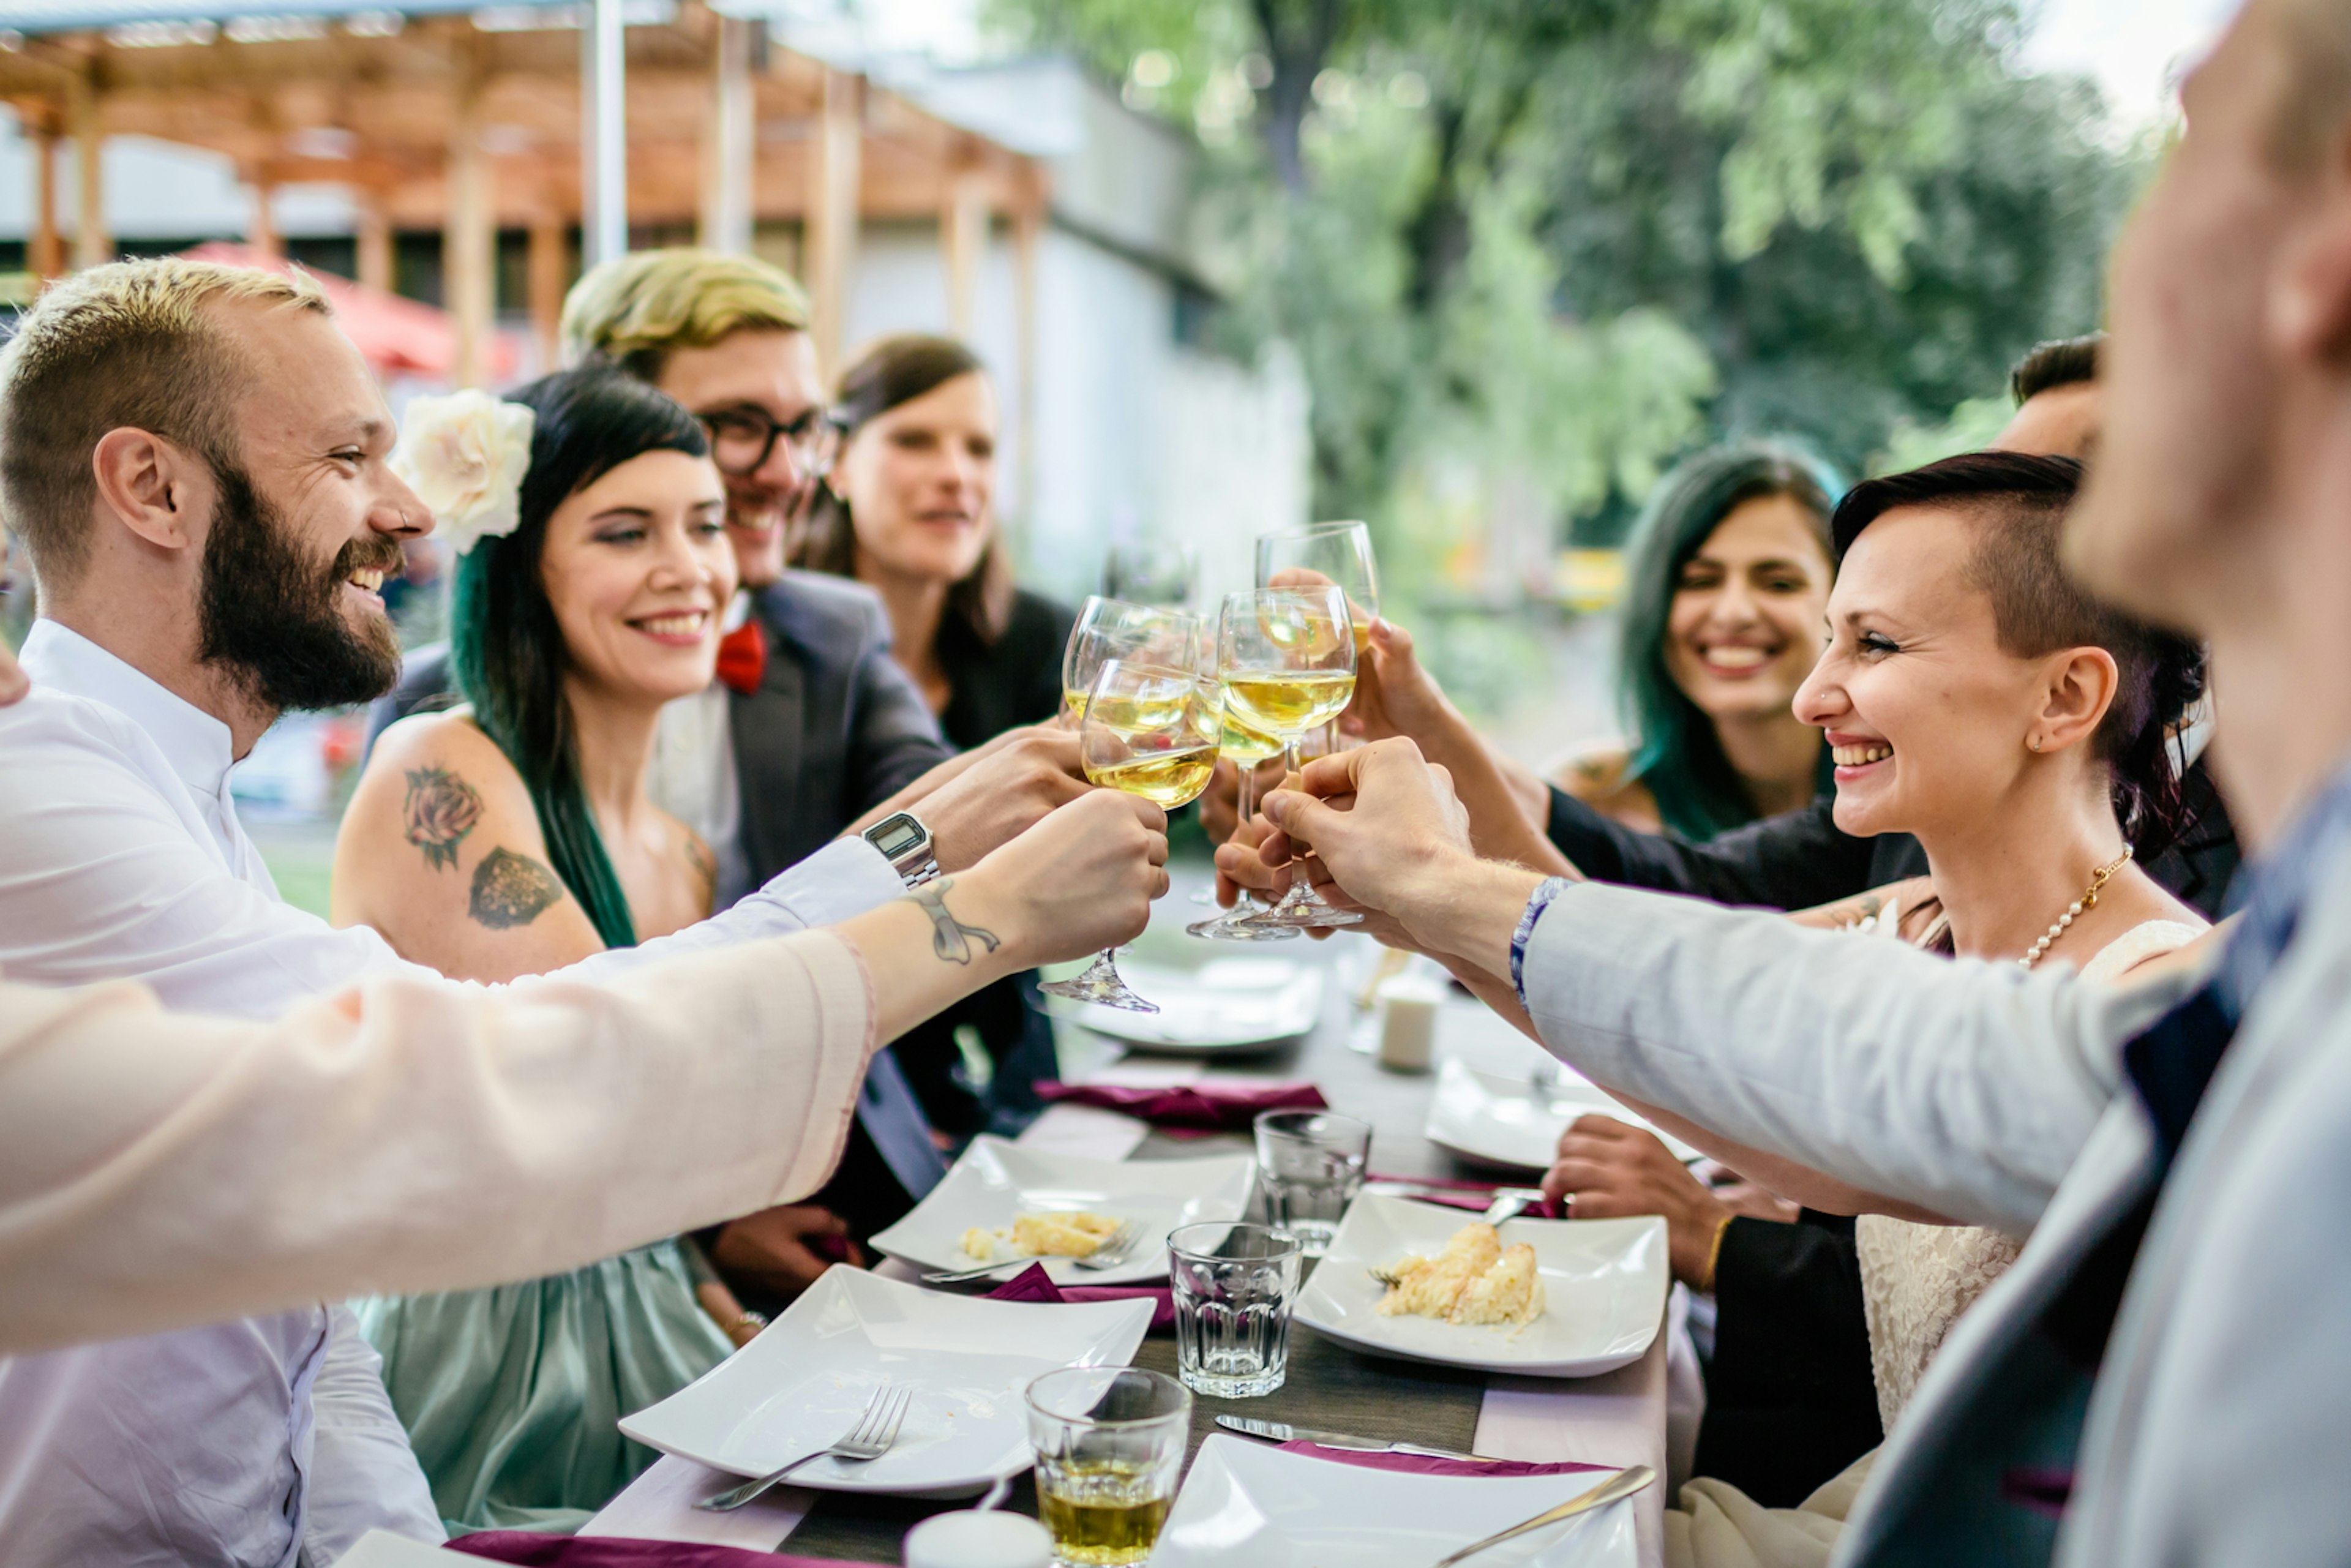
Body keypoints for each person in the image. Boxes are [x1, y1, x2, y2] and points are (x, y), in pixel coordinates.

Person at [1231, 6, 2351, 1555]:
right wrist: (1410, 889)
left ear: (2315, 275)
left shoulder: (2213, 965)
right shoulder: (2216, 964)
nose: (1816, 688)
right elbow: (1753, 1017)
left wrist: (1433, 887)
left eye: (2200, 133)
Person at [0, 256, 1116, 1566]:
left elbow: (310, 1347)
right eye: (349, 456)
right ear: (153, 488)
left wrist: (402, 1547)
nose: (407, 511)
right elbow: (476, 1082)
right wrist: (963, 904)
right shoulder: (45, 791)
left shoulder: (179, 792)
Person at [334, 366, 783, 1530]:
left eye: (706, 525)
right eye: (626, 533)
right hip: (495, 1361)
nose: (689, 568)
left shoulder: (681, 852)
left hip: (655, 1317)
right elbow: (633, 1073)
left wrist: (706, 1287)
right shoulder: (441, 771)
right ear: (522, 565)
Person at [798, 333, 1078, 1146]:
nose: (957, 473)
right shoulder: (783, 651)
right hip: (830, 1095)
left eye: (979, 448)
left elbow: (1122, 805)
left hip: (1007, 1089)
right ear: (837, 462)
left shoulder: (1038, 639)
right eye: (916, 440)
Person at [1553, 442, 1838, 838]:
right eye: (1700, 581)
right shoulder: (1587, 804)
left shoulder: (1912, 796)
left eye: (1779, 583)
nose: (1734, 613)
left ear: (1845, 596)